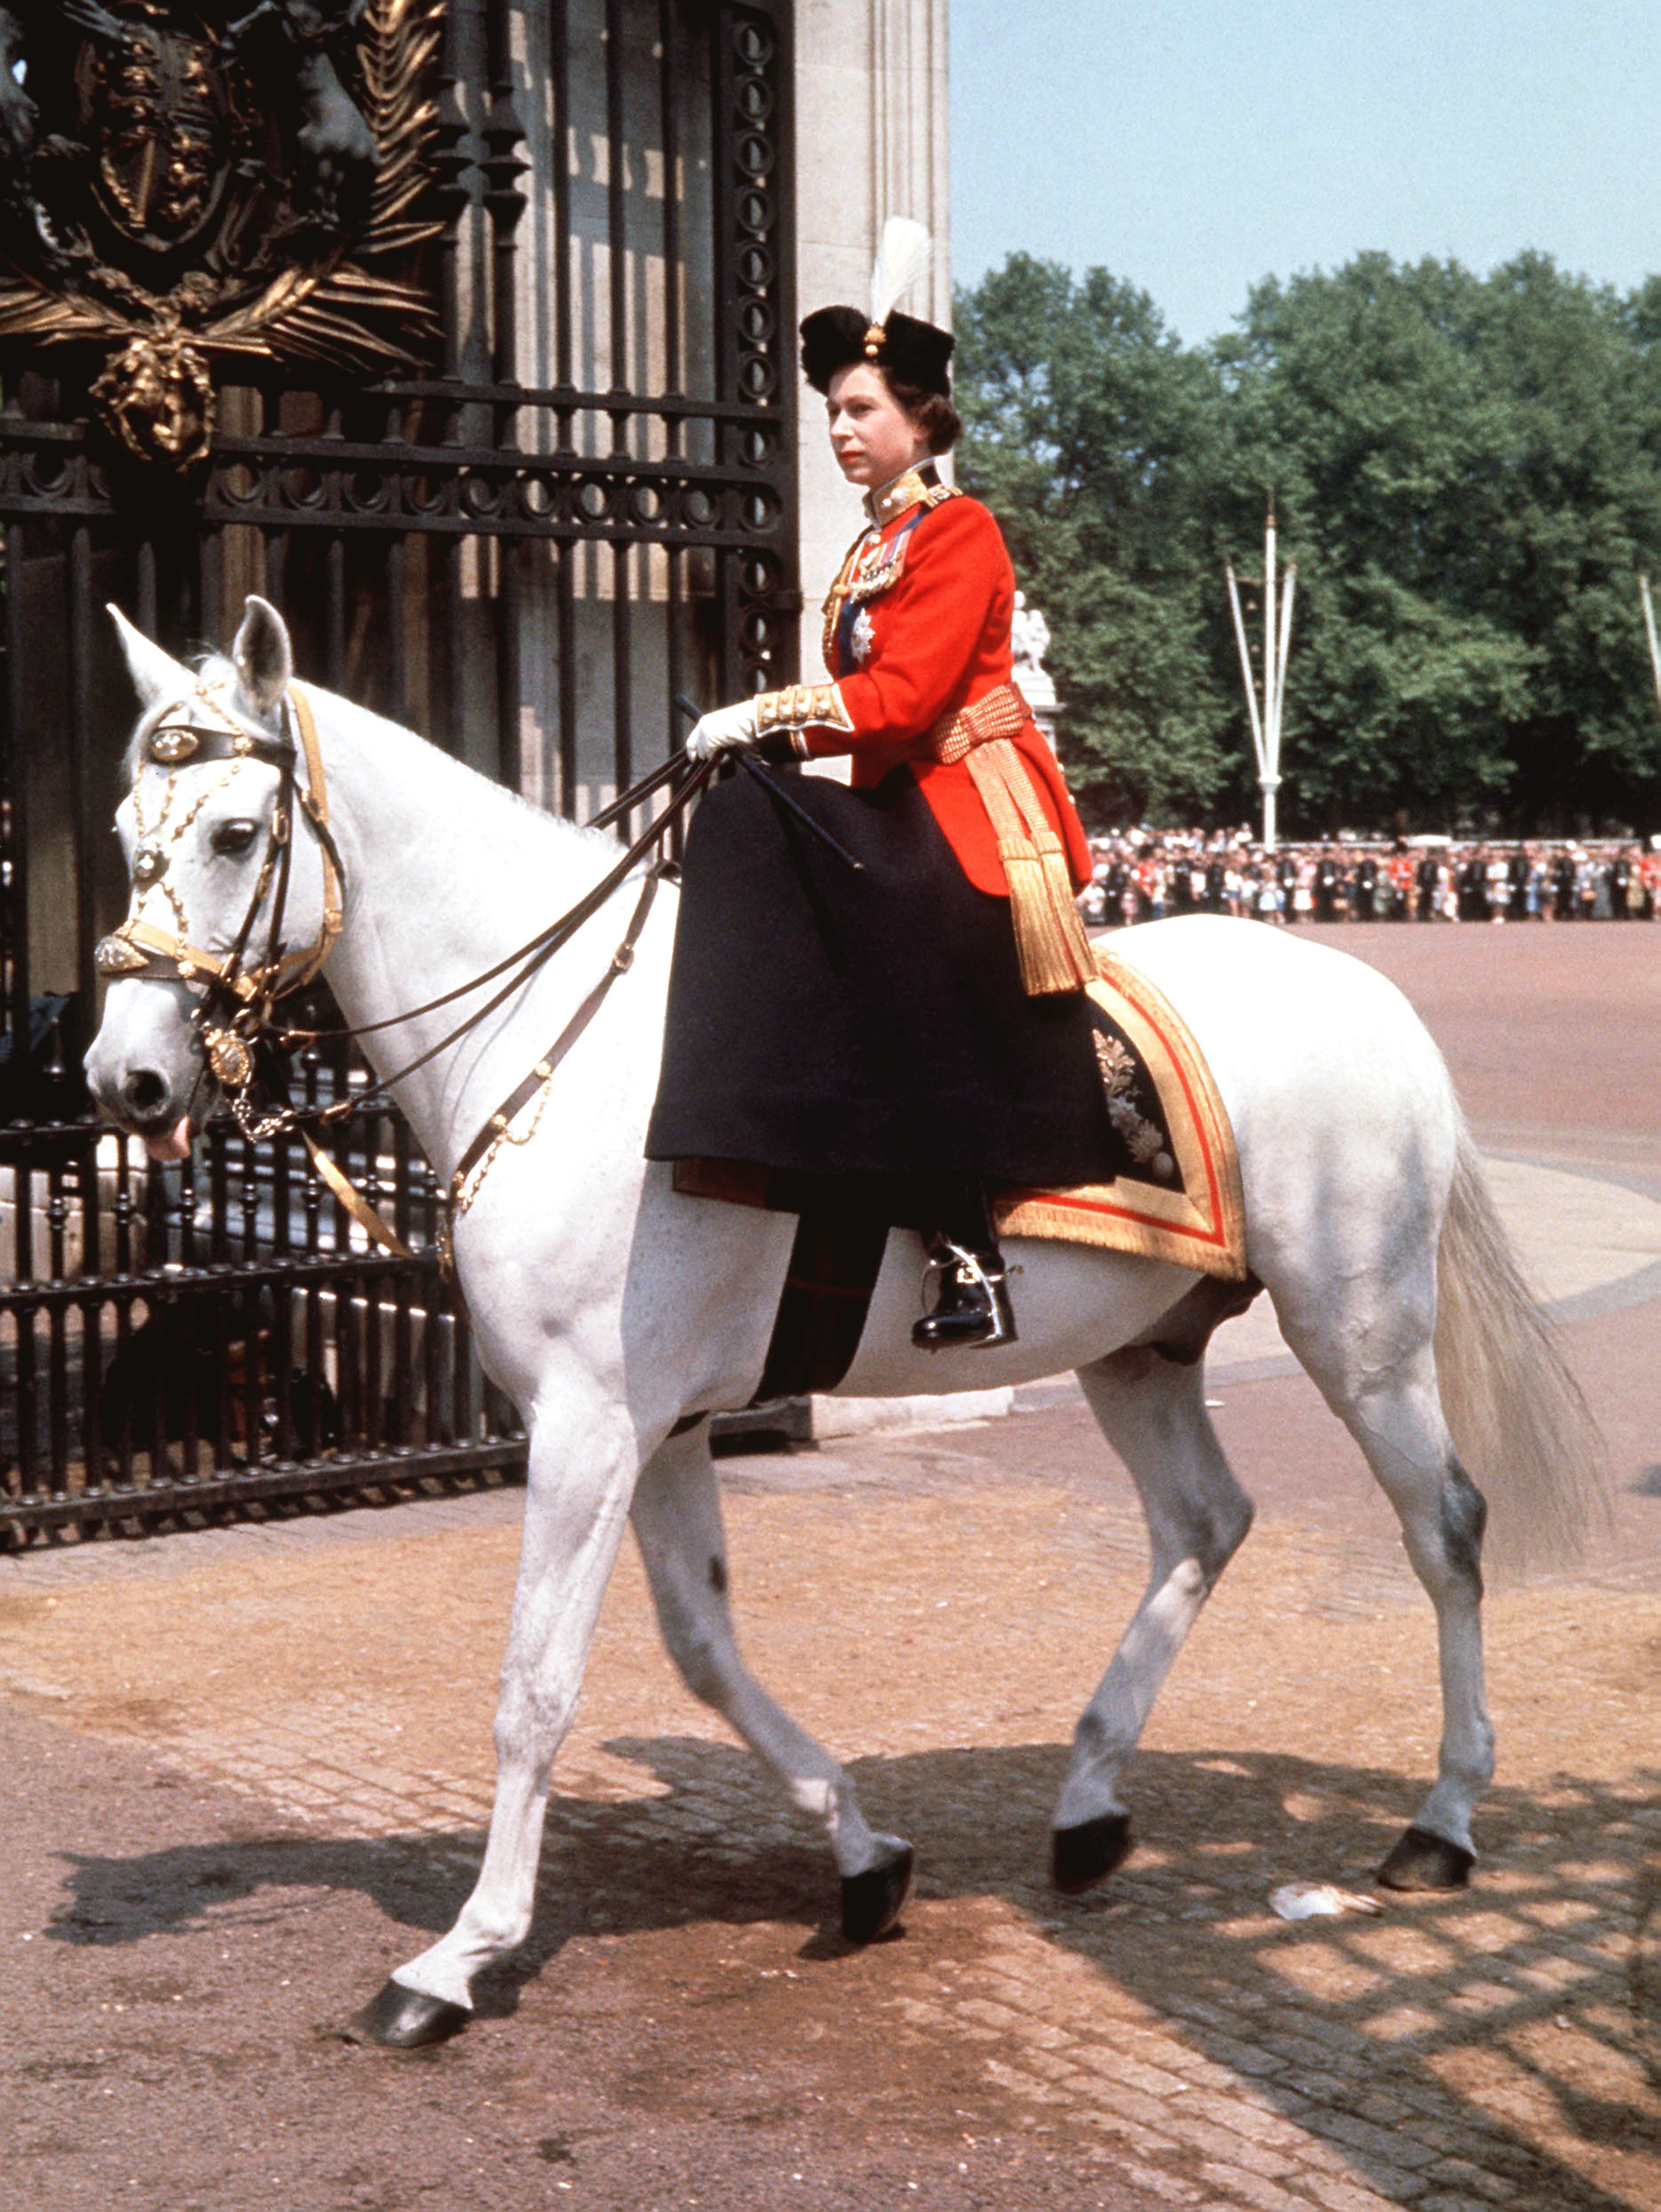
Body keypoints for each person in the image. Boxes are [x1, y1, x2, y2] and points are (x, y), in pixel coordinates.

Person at [646, 221, 1103, 1354]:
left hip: (977, 806)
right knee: (751, 808)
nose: (840, 429)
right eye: (834, 412)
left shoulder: (959, 531)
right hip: (909, 796)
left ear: (921, 420)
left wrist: (762, 715)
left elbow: (900, 702)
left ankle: (969, 1249)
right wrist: (757, 745)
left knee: (889, 954)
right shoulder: (868, 549)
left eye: (860, 410)